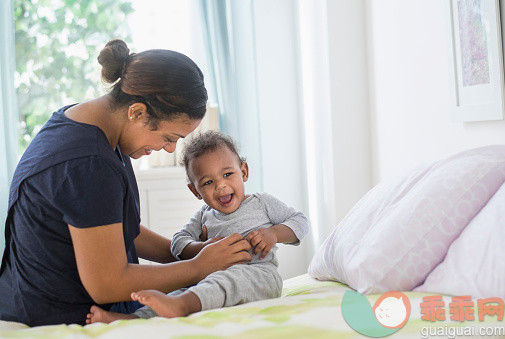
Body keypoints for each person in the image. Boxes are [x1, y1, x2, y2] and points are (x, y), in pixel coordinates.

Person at [0, 40, 252, 326]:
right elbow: (107, 282)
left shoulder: (90, 124)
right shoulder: (88, 163)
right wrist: (197, 267)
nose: (169, 149)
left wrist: (188, 251)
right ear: (137, 112)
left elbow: (110, 229)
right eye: (169, 138)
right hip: (58, 315)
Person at [86, 131, 309, 323]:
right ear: (195, 191)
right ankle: (133, 320)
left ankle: (181, 307)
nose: (221, 186)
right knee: (180, 290)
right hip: (209, 278)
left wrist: (274, 233)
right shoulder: (204, 215)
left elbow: (300, 221)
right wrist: (200, 249)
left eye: (227, 174)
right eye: (208, 182)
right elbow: (178, 242)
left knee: (222, 281)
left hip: (259, 275)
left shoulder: (261, 203)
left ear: (244, 172)